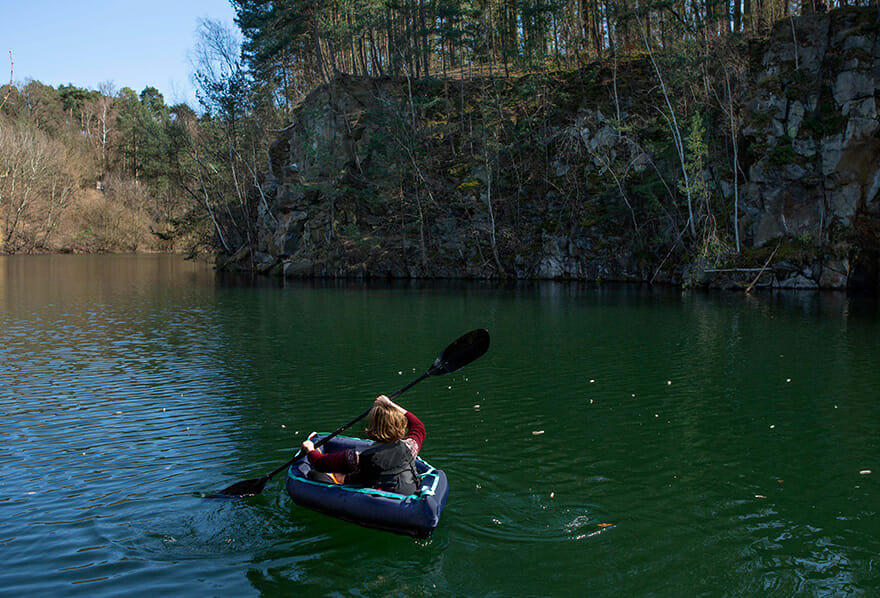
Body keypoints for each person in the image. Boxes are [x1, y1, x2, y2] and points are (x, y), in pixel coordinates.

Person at [300, 394, 425, 495]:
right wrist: (389, 404)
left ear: (372, 427)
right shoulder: (409, 447)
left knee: (316, 474)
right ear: (401, 425)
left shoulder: (358, 457)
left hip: (382, 500)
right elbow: (418, 426)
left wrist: (310, 449)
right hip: (409, 491)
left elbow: (320, 463)